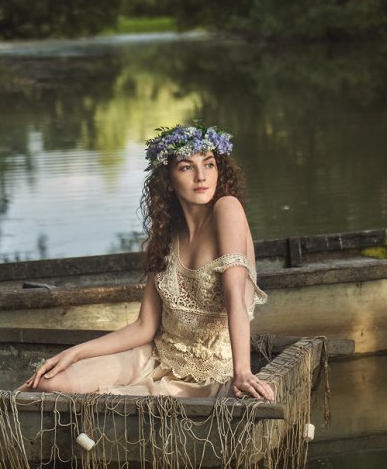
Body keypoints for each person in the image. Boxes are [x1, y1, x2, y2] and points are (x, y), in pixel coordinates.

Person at [20, 123, 274, 401]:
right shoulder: (167, 232)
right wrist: (74, 353)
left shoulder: (227, 209)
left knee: (120, 401)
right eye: (186, 167)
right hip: (156, 355)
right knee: (49, 382)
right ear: (168, 178)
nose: (201, 176)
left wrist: (243, 372)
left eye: (209, 164)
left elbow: (235, 296)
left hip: (208, 375)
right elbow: (145, 326)